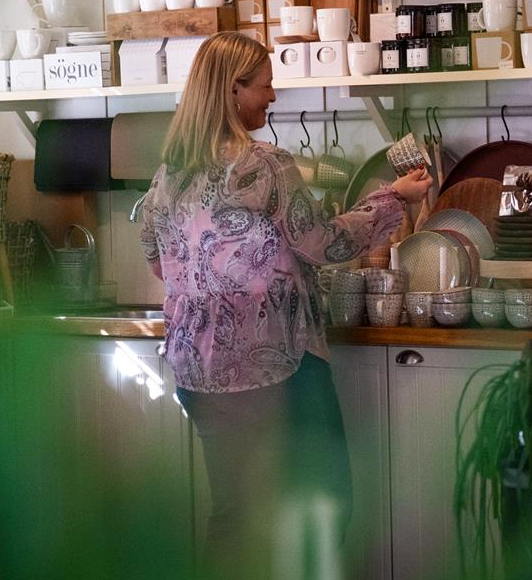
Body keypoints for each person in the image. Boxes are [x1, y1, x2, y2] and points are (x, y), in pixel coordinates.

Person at [138, 31, 433, 579]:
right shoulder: (266, 165)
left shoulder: (168, 174)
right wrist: (395, 198)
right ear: (233, 90)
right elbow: (324, 243)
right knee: (322, 502)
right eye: (266, 85)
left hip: (197, 368)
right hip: (271, 366)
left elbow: (156, 259)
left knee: (237, 513)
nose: (273, 97)